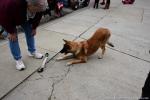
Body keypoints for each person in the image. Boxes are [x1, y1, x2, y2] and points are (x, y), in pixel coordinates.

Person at [0, 0, 46, 70]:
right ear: (30, 5)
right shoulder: (11, 4)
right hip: (7, 16)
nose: (37, 12)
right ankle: (18, 59)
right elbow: (3, 18)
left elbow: (38, 15)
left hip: (23, 14)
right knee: (13, 38)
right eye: (36, 10)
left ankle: (32, 51)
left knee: (30, 32)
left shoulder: (40, 6)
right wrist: (10, 32)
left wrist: (34, 27)